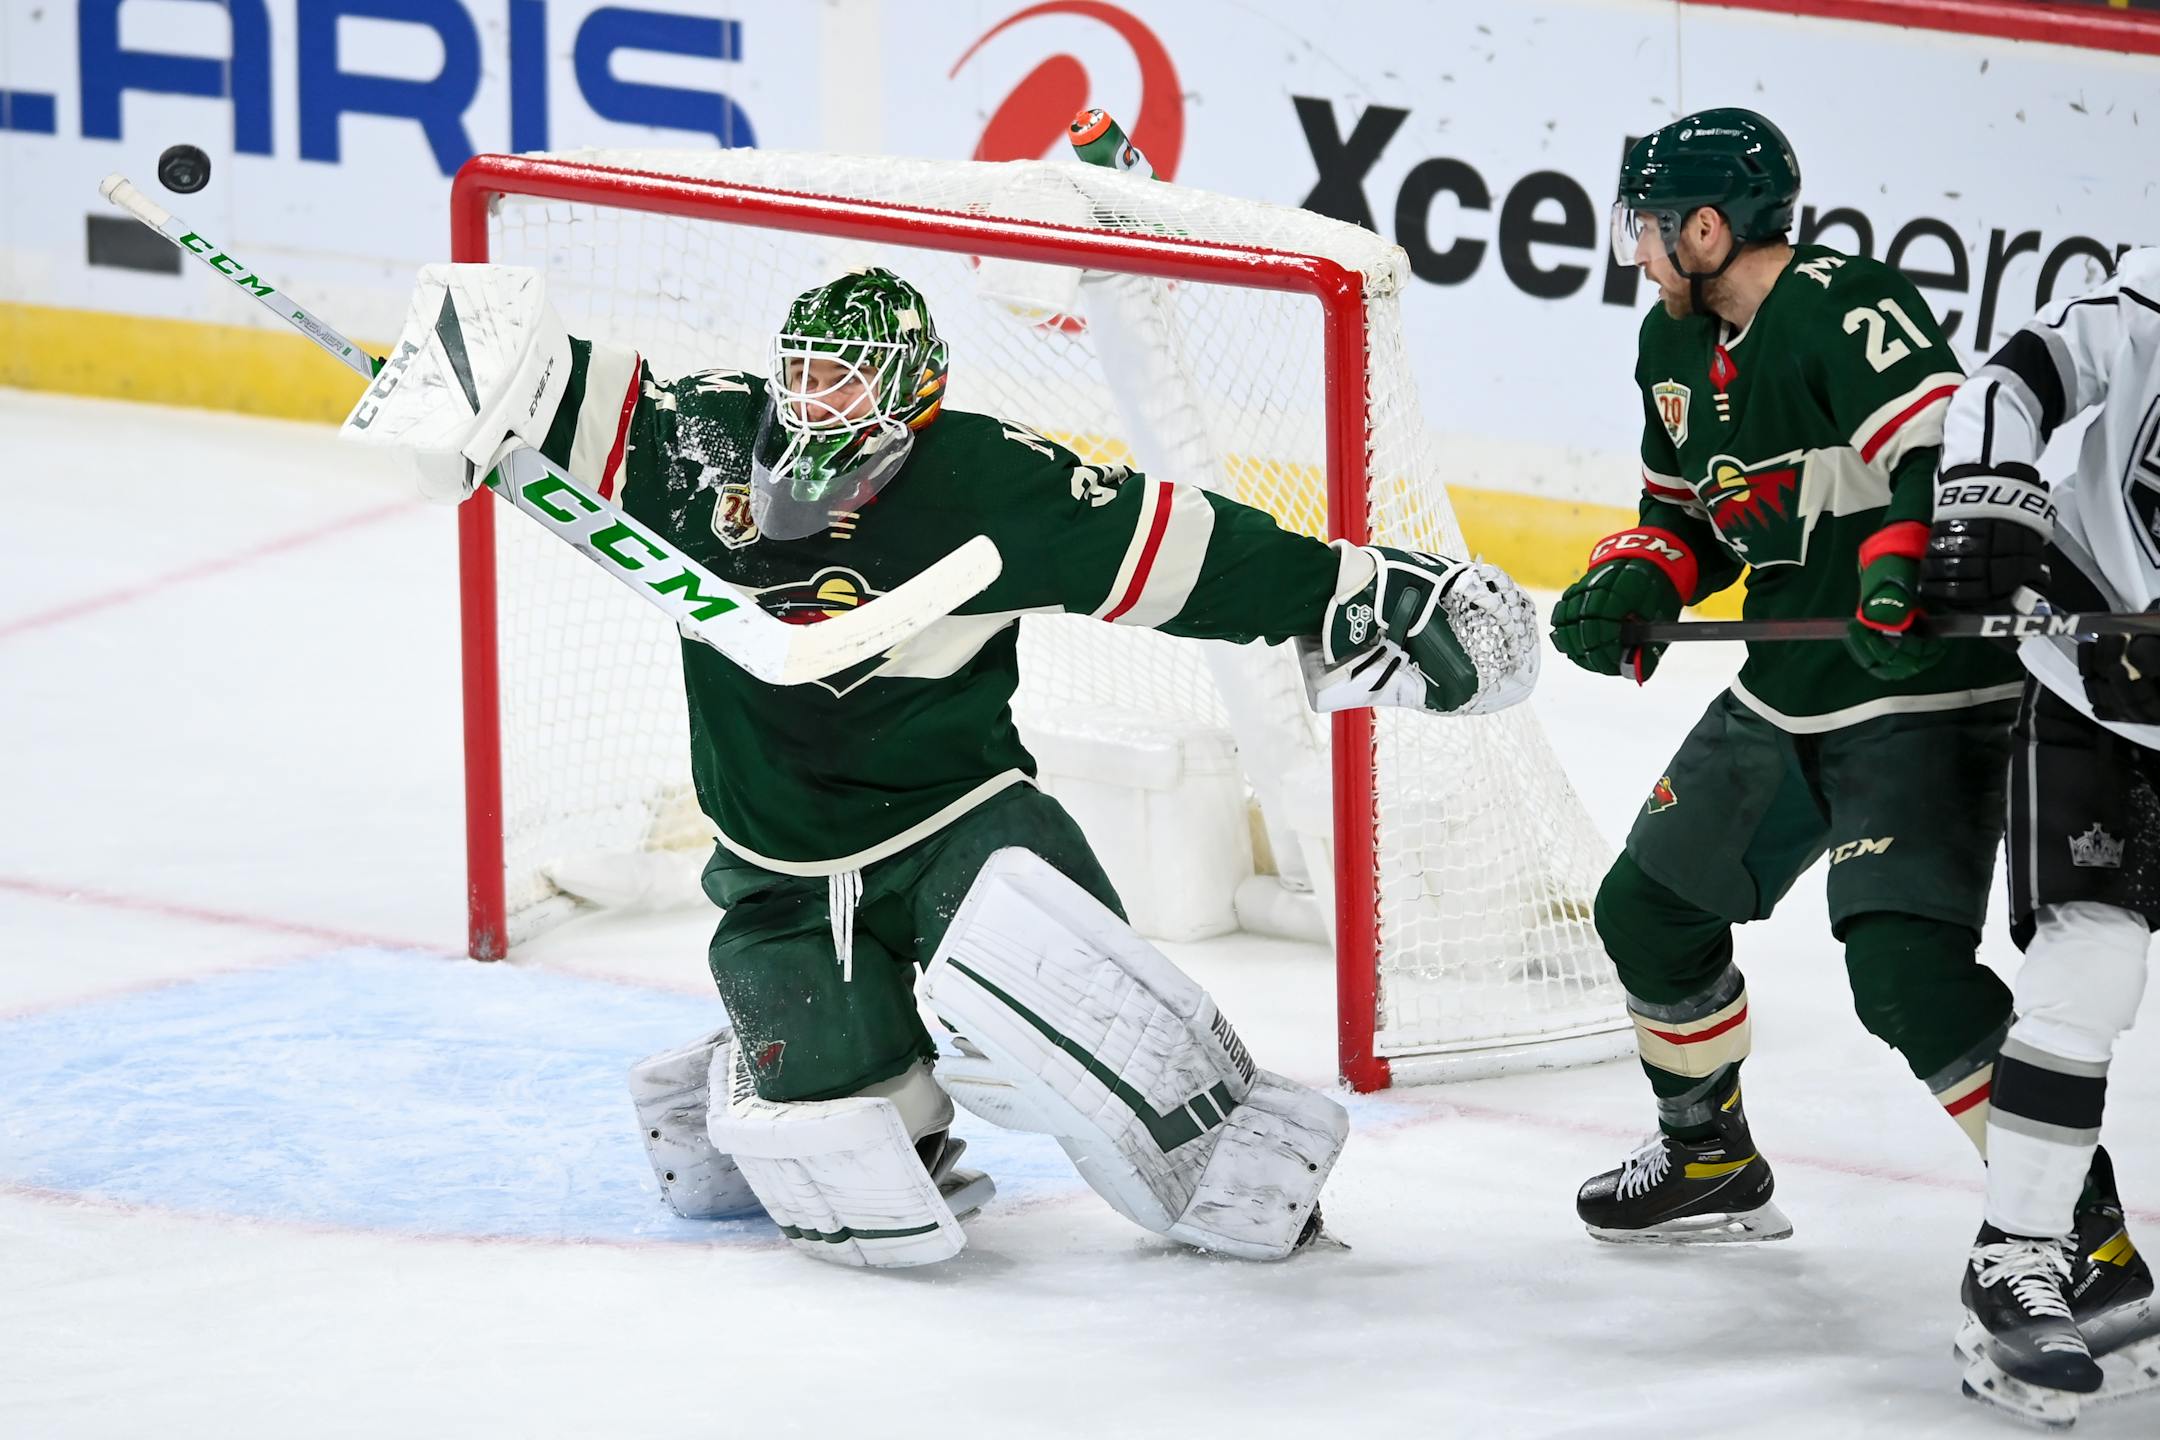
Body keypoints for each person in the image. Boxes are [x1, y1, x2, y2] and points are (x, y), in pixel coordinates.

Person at [348, 262, 1542, 1268]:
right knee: (850, 1177)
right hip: (776, 870)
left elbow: (1186, 550)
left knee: (1070, 998)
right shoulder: (695, 439)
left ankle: (1231, 1157)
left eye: (844, 376)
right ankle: (766, 1071)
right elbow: (537, 377)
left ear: (911, 390)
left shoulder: (990, 479)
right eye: (801, 370)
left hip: (960, 825)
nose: (812, 400)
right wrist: (457, 385)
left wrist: (1353, 592)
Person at [1550, 107, 2028, 1243]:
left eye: (1651, 226)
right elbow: (1693, 514)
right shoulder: (1669, 345)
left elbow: (1950, 453)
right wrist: (1640, 583)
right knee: (1649, 910)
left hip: (1923, 690)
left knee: (1907, 974)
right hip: (1790, 686)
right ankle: (1710, 1159)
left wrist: (1899, 571)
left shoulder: (1841, 305)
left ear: (1707, 229)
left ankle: (2070, 1230)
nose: (1637, 249)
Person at [1920, 249, 2160, 1420]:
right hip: (2090, 686)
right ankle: (2015, 1258)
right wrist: (1988, 492)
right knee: (2093, 961)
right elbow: (2015, 375)